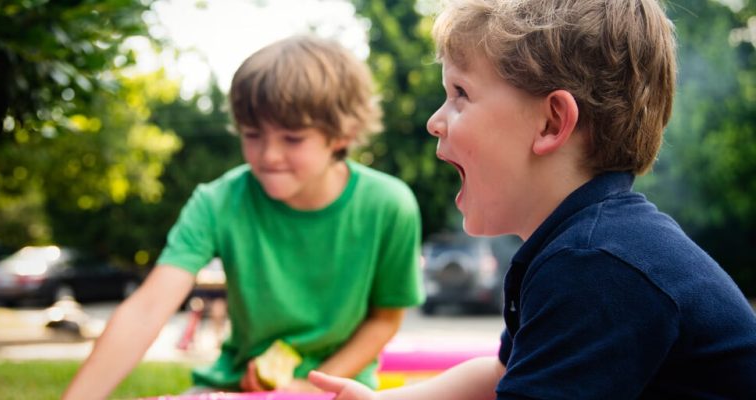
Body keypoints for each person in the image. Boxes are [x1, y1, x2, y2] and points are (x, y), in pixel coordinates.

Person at [309, 0, 756, 398]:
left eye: (460, 94)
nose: (433, 121)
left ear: (551, 123)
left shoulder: (596, 264)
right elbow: (501, 375)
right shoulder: (580, 244)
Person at [62, 35, 424, 399]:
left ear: (342, 134)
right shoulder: (218, 202)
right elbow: (147, 310)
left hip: (338, 391)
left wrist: (305, 387)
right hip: (233, 388)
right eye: (253, 135)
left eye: (293, 138)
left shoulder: (390, 205)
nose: (269, 155)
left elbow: (384, 319)